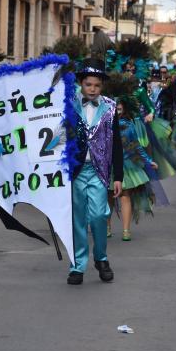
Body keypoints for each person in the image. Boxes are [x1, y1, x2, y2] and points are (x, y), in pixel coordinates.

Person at [67, 57, 123, 285]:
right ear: (81, 83)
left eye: (97, 85)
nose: (92, 89)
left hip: (99, 171)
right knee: (77, 219)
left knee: (100, 215)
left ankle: (101, 257)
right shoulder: (68, 104)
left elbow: (116, 143)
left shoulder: (110, 107)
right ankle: (78, 265)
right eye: (88, 84)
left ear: (102, 87)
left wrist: (118, 176)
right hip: (76, 171)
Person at [107, 95, 158, 241]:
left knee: (125, 196)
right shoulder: (104, 123)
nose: (117, 106)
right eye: (114, 103)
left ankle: (126, 230)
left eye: (120, 103)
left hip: (127, 165)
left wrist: (148, 161)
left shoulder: (129, 125)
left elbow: (136, 146)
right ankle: (107, 227)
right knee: (107, 198)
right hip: (108, 166)